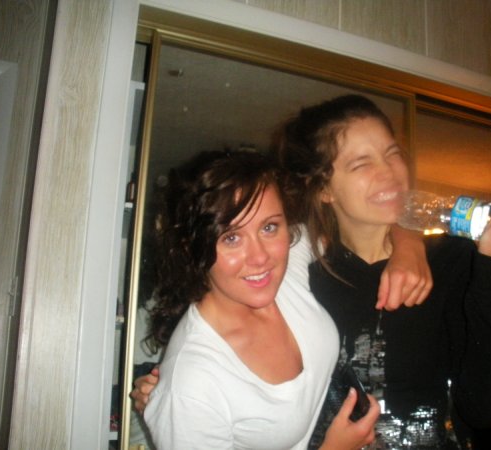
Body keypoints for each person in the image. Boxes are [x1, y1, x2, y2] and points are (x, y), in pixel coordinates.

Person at [274, 94, 491, 449]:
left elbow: (484, 408)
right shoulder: (302, 278)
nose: (389, 172)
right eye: (361, 163)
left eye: (392, 153)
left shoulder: (455, 259)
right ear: (322, 189)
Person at [141, 149, 381, 449]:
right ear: (192, 249)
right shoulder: (192, 383)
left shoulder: (287, 266)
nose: (261, 257)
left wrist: (410, 247)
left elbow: (359, 221)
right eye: (231, 237)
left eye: (269, 227)